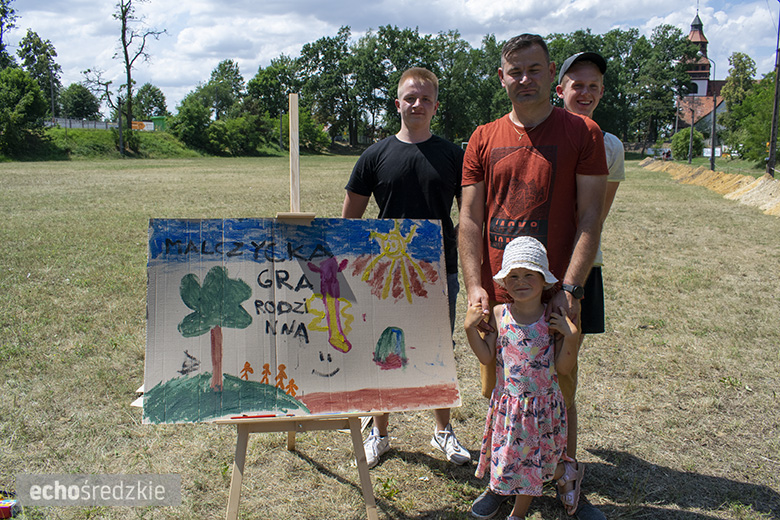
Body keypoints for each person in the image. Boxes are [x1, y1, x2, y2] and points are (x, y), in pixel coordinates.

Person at [459, 34, 608, 519]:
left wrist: (568, 286)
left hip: (554, 290)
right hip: (501, 294)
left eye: (534, 69)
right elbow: (471, 220)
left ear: (551, 75)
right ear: (502, 77)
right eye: (514, 71)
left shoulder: (583, 134)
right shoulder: (482, 137)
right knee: (499, 390)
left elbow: (590, 217)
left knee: (559, 386)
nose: (525, 79)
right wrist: (476, 284)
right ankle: (505, 480)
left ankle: (565, 476)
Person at [342, 67, 470, 469]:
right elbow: (350, 222)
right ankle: (378, 432)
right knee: (383, 345)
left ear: (436, 105)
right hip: (383, 273)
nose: (417, 104)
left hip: (438, 269)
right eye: (410, 98)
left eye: (425, 98)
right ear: (397, 103)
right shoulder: (375, 155)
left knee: (438, 348)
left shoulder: (452, 155)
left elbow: (468, 218)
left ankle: (442, 430)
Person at [464, 236, 581, 519]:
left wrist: (572, 336)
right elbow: (486, 357)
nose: (521, 281)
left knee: (532, 464)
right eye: (513, 276)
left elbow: (563, 368)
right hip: (509, 407)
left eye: (529, 274)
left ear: (544, 281)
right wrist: (470, 330)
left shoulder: (551, 319)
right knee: (516, 459)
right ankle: (565, 471)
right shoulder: (499, 313)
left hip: (541, 409)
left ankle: (518, 513)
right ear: (504, 283)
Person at [555, 50, 625, 486]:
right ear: (559, 88)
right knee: (515, 362)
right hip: (527, 268)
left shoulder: (610, 145)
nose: (585, 93)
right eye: (577, 84)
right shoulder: (537, 131)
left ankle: (565, 459)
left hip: (579, 269)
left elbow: (595, 219)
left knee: (565, 363)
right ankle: (518, 451)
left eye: (594, 85)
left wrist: (573, 279)